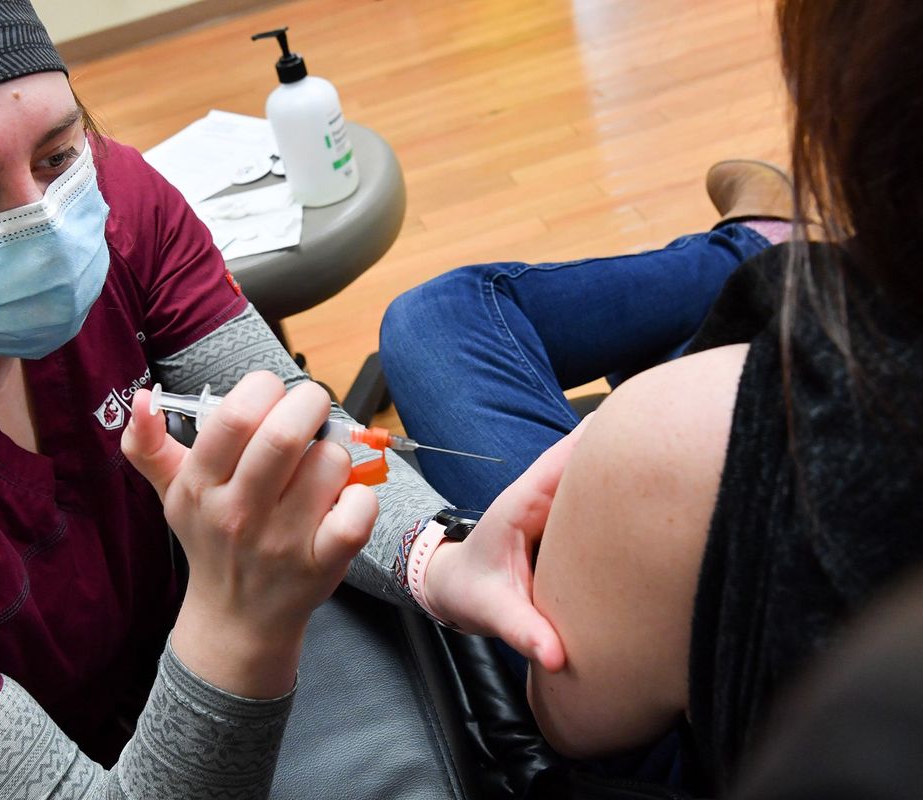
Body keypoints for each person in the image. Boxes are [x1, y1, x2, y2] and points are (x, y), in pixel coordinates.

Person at [0, 1, 452, 797]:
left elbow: (297, 419)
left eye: (55, 153)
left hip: (181, 665)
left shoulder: (113, 196)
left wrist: (438, 556)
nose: (46, 222)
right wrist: (240, 619)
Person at [378, 0, 923, 794]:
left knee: (437, 316)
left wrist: (634, 457)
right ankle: (757, 249)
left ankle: (751, 246)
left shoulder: (681, 438)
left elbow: (570, 723)